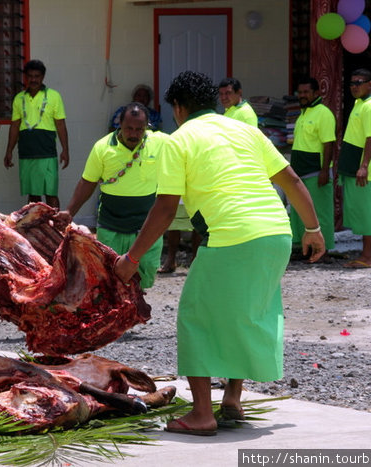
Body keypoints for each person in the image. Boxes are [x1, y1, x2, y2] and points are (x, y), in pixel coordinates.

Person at [114, 70, 324, 436]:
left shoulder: (178, 141)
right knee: (244, 316)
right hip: (275, 232)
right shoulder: (244, 129)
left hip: (232, 236)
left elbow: (164, 209)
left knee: (195, 316)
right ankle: (231, 399)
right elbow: (289, 179)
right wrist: (313, 228)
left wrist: (131, 260)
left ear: (178, 107)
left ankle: (201, 414)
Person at [58, 103, 168, 289]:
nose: (133, 134)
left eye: (139, 129)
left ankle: (134, 315)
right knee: (109, 281)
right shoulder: (102, 148)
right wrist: (70, 211)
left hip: (146, 229)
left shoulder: (161, 142)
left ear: (148, 127)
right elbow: (88, 182)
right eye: (129, 128)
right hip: (111, 227)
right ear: (119, 125)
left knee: (143, 280)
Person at [338, 68, 371, 268]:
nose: (354, 86)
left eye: (359, 82)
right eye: (352, 83)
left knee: (366, 211)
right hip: (354, 163)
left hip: (364, 167)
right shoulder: (361, 103)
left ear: (370, 84)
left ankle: (367, 256)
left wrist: (364, 166)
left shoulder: (370, 106)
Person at [4, 59, 69, 208]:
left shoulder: (54, 96)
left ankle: (58, 229)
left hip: (47, 152)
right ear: (26, 77)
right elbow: (14, 126)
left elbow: (61, 124)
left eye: (37, 76)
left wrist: (65, 150)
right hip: (27, 152)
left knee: (51, 194)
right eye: (30, 76)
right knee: (33, 196)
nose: (33, 79)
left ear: (43, 77)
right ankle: (34, 229)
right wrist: (9, 151)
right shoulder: (19, 98)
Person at [289, 77, 337, 255]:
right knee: (300, 212)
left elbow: (329, 144)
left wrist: (325, 171)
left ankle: (323, 251)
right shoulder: (303, 113)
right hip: (299, 171)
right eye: (300, 92)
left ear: (316, 93)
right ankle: (305, 249)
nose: (302, 95)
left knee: (320, 212)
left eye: (306, 92)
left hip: (316, 171)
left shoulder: (323, 113)